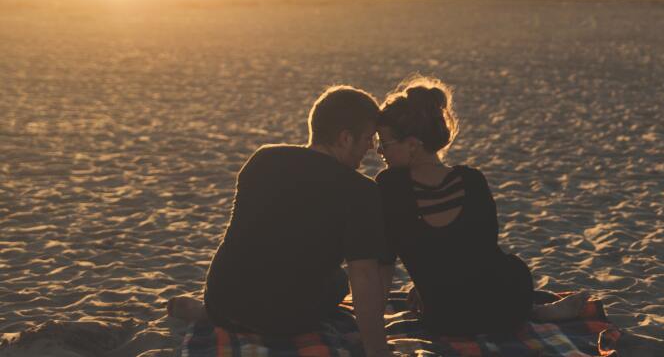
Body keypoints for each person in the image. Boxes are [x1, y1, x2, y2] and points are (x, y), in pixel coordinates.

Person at [167, 85, 392, 357]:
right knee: (338, 281)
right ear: (345, 138)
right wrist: (377, 349)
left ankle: (207, 315)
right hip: (283, 320)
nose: (371, 147)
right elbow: (364, 276)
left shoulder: (263, 158)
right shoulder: (360, 191)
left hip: (221, 301)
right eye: (368, 138)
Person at [375, 76, 589, 336]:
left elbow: (386, 260)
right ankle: (534, 312)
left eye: (384, 143)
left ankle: (535, 312)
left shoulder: (389, 186)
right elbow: (479, 252)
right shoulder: (471, 180)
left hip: (445, 316)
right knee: (510, 268)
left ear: (412, 145)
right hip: (504, 306)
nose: (379, 152)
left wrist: (381, 318)